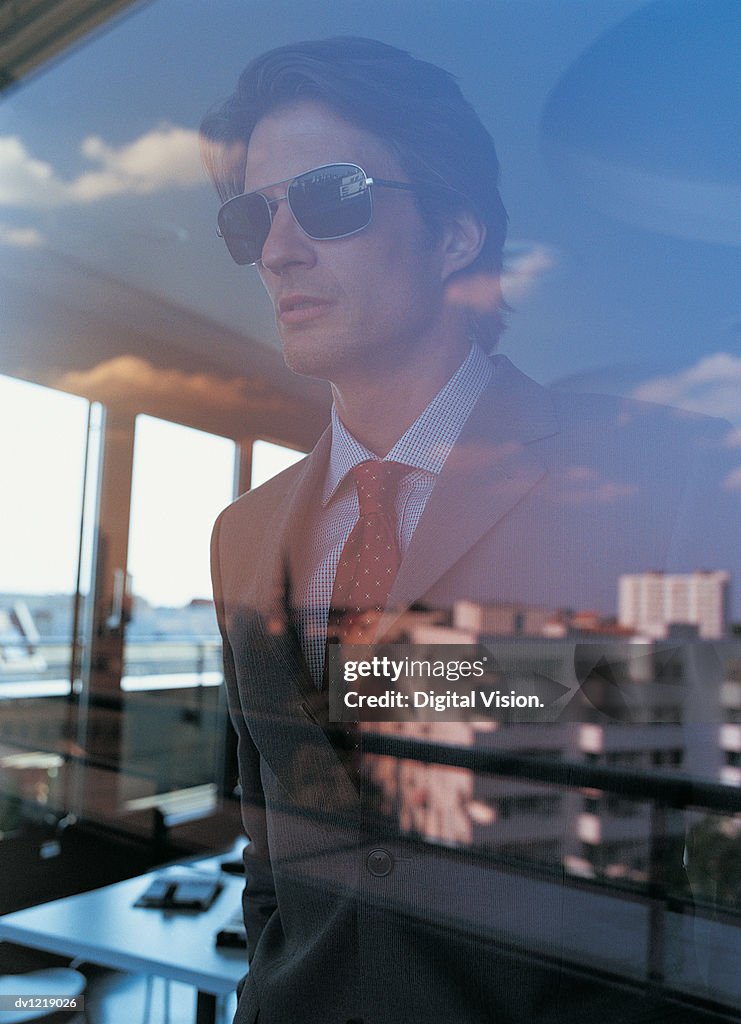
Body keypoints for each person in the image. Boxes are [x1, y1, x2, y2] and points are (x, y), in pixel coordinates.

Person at [201, 37, 739, 1024]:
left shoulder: (676, 483)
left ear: (454, 234)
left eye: (329, 196)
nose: (278, 248)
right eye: (253, 214)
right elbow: (272, 853)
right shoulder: (243, 533)